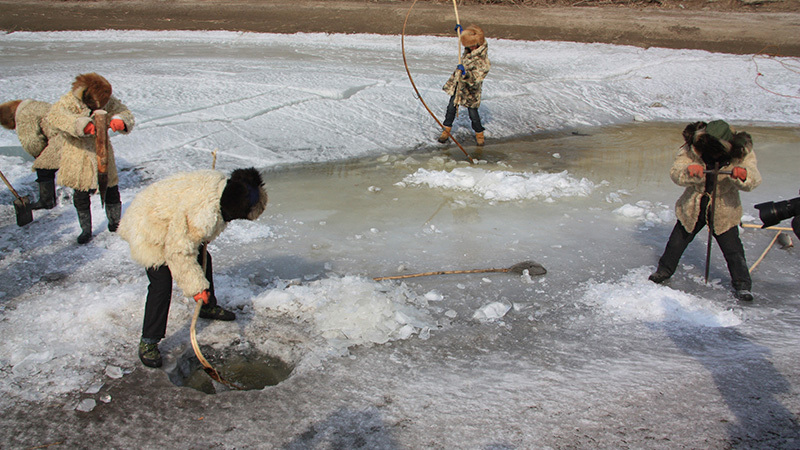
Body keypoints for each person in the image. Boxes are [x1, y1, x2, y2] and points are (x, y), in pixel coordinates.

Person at [117, 168, 268, 368]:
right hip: (148, 227)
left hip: (171, 219)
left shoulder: (222, 186)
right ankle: (148, 341)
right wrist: (197, 289)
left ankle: (208, 307)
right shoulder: (203, 214)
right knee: (161, 282)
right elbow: (178, 252)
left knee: (204, 257)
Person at [649, 120, 761, 301]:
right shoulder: (693, 147)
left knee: (733, 249)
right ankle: (664, 271)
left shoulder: (741, 151)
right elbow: (676, 172)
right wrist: (688, 171)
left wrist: (744, 175)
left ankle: (742, 285)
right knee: (676, 243)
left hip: (724, 208)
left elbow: (754, 176)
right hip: (693, 205)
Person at [46, 73, 135, 244]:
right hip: (78, 156)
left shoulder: (106, 99)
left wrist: (120, 120)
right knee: (80, 194)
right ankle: (85, 229)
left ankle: (115, 223)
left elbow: (123, 111)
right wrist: (81, 125)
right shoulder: (69, 102)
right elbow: (56, 117)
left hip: (104, 154)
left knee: (111, 190)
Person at [0, 99, 60, 210]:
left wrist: (38, 157)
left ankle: (47, 201)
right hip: (66, 133)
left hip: (60, 138)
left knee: (43, 165)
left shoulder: (23, 116)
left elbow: (32, 142)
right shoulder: (32, 105)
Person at [437, 24, 491, 146]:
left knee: (473, 113)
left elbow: (477, 77)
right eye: (467, 45)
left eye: (471, 45)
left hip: (471, 90)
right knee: (451, 108)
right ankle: (446, 131)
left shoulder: (483, 60)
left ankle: (479, 135)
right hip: (460, 86)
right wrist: (462, 33)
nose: (469, 48)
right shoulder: (469, 51)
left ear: (477, 44)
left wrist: (466, 73)